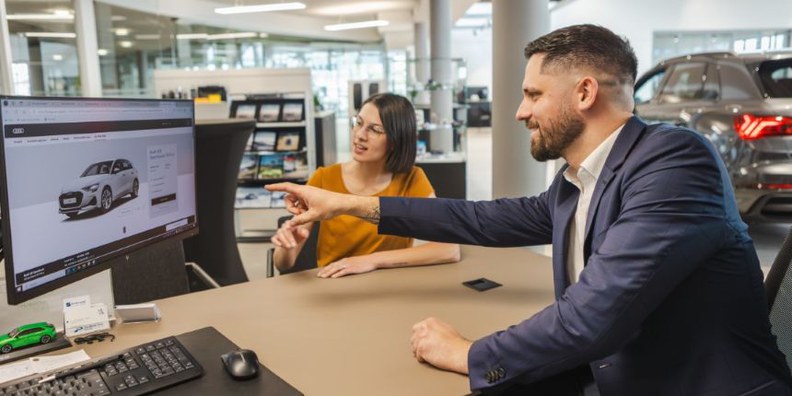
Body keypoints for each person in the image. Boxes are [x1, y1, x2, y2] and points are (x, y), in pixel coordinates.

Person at [267, 25, 792, 395]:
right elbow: (477, 219)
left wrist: (468, 353)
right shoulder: (573, 182)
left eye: (533, 94)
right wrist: (347, 204)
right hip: (612, 373)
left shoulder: (675, 161)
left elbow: (590, 320)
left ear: (584, 92)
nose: (520, 112)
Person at [271, 93, 460, 278]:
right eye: (358, 123)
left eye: (375, 129)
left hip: (387, 286)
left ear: (396, 140)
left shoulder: (412, 179)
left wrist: (371, 261)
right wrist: (287, 247)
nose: (360, 135)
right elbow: (283, 264)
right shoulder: (323, 178)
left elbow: (449, 249)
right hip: (334, 286)